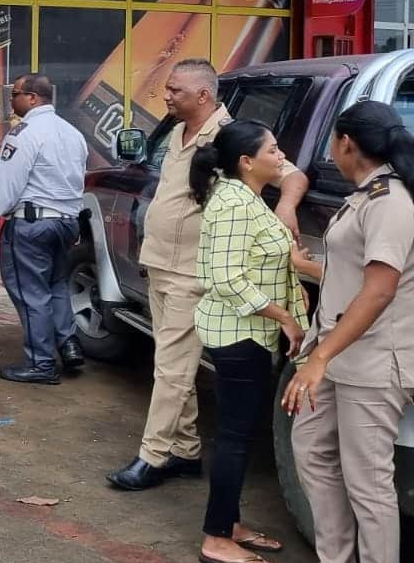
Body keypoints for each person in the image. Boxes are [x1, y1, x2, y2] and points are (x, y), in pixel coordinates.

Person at [108, 59, 308, 491]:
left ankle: (153, 456)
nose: (166, 96)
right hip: (161, 263)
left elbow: (291, 174)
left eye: (175, 90)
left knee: (172, 370)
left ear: (203, 95)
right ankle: (183, 450)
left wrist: (286, 205)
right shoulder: (179, 132)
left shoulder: (232, 136)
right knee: (170, 361)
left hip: (192, 273)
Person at [282, 101, 414, 563]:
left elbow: (380, 289)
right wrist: (310, 266)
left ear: (346, 144)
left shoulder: (392, 202)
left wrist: (318, 358)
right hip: (336, 352)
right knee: (310, 448)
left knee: (368, 480)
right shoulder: (364, 198)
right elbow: (354, 269)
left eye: (332, 141)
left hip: (372, 360)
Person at [187, 120, 305, 563]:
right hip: (239, 335)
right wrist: (284, 317)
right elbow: (226, 279)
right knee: (235, 438)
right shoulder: (235, 203)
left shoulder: (247, 197)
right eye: (274, 150)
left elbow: (258, 261)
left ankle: (230, 523)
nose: (281, 157)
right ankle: (216, 538)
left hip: (248, 333)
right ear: (246, 161)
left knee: (239, 433)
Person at [0, 73, 88, 384]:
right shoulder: (73, 133)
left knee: (31, 292)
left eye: (15, 94)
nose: (11, 100)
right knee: (56, 285)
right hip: (65, 223)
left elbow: (6, 184)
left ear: (33, 98)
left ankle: (41, 363)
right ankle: (68, 343)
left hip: (32, 226)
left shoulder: (24, 133)